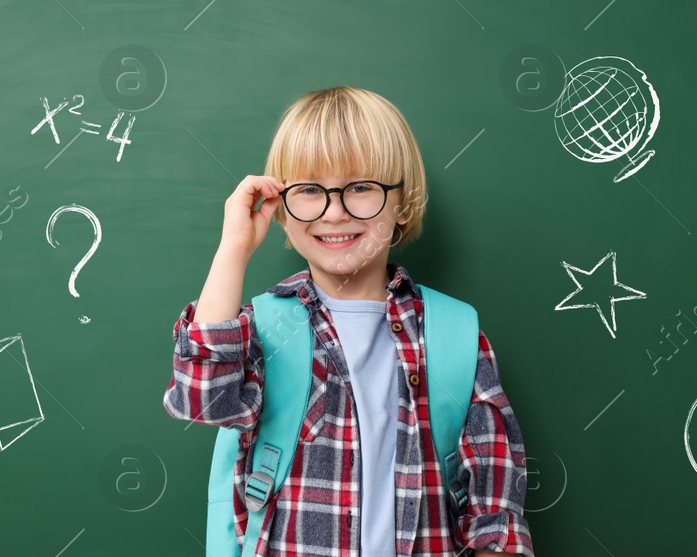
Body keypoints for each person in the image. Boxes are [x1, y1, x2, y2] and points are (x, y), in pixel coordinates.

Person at [163, 85, 534, 557]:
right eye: (310, 190)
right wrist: (234, 246)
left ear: (402, 202)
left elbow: (494, 509)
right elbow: (202, 400)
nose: (334, 212)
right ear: (281, 205)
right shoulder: (265, 328)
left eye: (360, 188)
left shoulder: (455, 334)